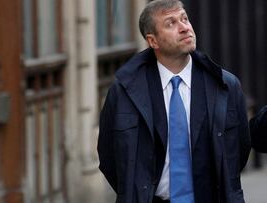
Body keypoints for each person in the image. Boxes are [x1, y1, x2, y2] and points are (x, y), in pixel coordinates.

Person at [97, 0, 251, 202]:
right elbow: (109, 156)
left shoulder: (225, 86)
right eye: (171, 23)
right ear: (153, 41)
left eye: (184, 19)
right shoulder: (124, 91)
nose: (185, 28)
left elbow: (239, 150)